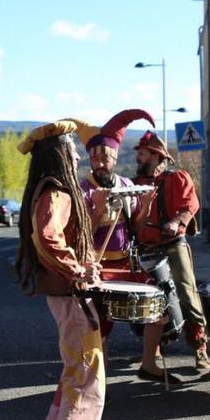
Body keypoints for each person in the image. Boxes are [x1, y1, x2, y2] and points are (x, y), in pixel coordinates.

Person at [15, 119, 106, 420]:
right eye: (72, 150)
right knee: (87, 377)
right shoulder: (57, 191)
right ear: (59, 153)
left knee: (75, 369)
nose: (78, 156)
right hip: (69, 294)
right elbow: (47, 237)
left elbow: (51, 236)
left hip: (64, 293)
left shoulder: (45, 187)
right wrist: (77, 270)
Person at [76, 110, 175, 385]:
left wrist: (147, 205)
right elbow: (83, 233)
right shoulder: (83, 189)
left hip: (126, 263)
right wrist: (98, 208)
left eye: (104, 156)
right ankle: (98, 380)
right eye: (94, 156)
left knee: (158, 310)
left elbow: (138, 228)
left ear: (115, 157)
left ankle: (148, 364)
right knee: (99, 327)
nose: (99, 162)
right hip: (97, 267)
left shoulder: (128, 185)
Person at [132, 131, 210, 371]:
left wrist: (178, 221)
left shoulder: (177, 178)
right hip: (147, 248)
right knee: (147, 299)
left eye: (142, 154)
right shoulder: (136, 184)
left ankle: (200, 347)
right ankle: (152, 350)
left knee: (186, 292)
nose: (138, 158)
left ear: (155, 156)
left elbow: (191, 204)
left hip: (173, 244)